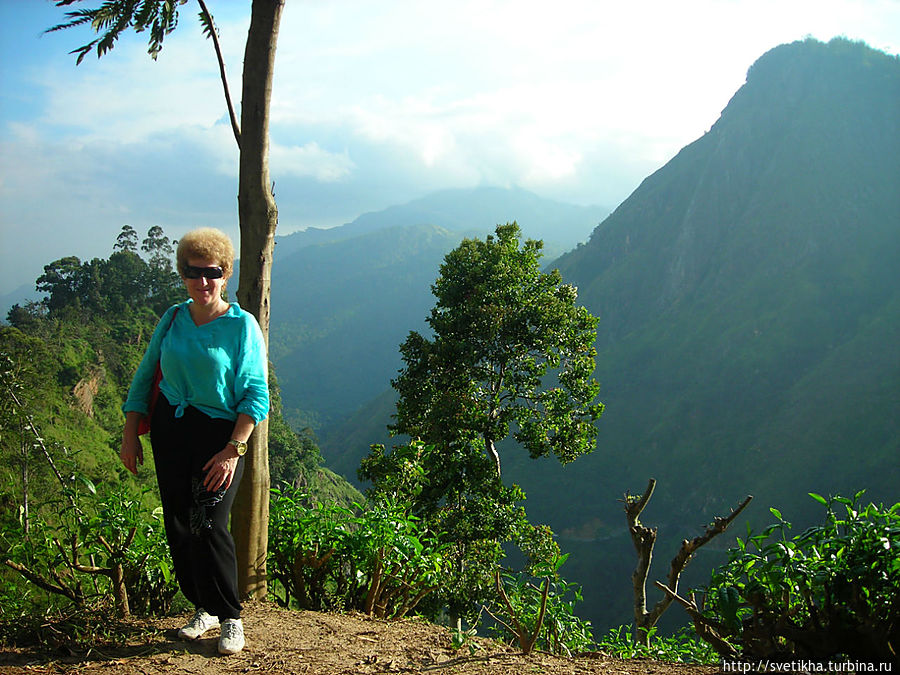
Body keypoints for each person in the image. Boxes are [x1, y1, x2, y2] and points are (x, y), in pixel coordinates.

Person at [120, 227, 269, 656]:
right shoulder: (172, 318)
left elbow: (256, 395)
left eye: (212, 273)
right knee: (180, 526)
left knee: (210, 524)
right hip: (172, 426)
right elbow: (146, 375)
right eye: (193, 273)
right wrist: (131, 435)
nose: (202, 282)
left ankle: (231, 617)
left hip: (219, 436)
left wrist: (233, 450)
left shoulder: (242, 327)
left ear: (226, 275)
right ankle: (202, 606)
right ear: (183, 274)